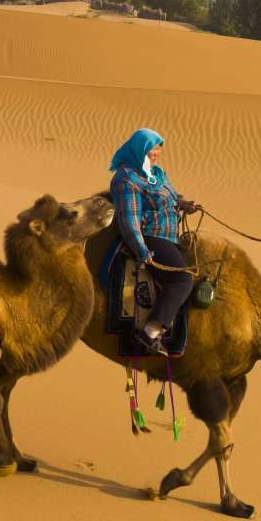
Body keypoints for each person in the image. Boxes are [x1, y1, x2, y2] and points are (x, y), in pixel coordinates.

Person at [109, 128, 200, 354]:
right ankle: (150, 331)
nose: (156, 152)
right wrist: (141, 249)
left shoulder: (157, 173)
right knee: (182, 280)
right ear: (139, 148)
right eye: (151, 147)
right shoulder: (126, 178)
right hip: (150, 236)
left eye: (158, 147)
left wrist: (183, 205)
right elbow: (128, 219)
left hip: (170, 237)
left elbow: (169, 199)